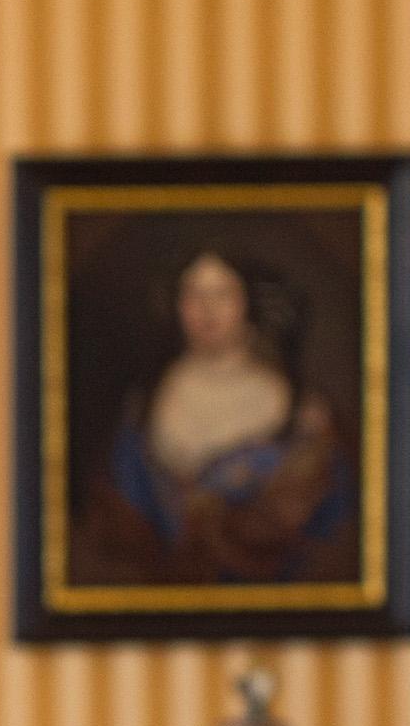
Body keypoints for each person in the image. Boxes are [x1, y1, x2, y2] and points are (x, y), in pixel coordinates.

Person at [80, 245, 358, 586]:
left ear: (248, 304)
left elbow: (332, 526)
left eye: (222, 294)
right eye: (193, 295)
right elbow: (118, 517)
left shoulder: (302, 412)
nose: (206, 309)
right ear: (178, 305)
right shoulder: (143, 404)